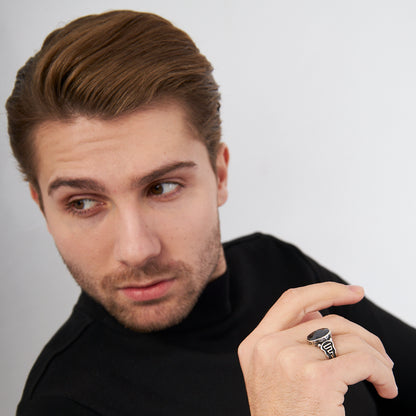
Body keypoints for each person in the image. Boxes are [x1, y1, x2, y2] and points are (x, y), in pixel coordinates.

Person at [6, 10, 415, 416]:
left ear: (219, 175)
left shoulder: (277, 269)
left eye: (162, 188)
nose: (136, 249)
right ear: (42, 206)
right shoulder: (60, 404)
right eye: (82, 202)